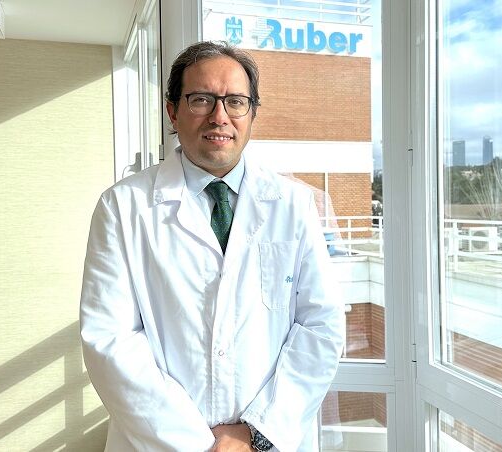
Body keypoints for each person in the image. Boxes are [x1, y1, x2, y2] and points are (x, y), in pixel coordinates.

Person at [80, 41, 344, 452]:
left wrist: (255, 434)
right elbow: (110, 340)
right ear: (173, 111)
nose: (220, 116)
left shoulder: (293, 204)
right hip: (164, 444)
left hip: (266, 442)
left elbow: (320, 325)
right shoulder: (123, 206)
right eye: (201, 99)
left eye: (235, 102)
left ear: (252, 113)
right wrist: (199, 444)